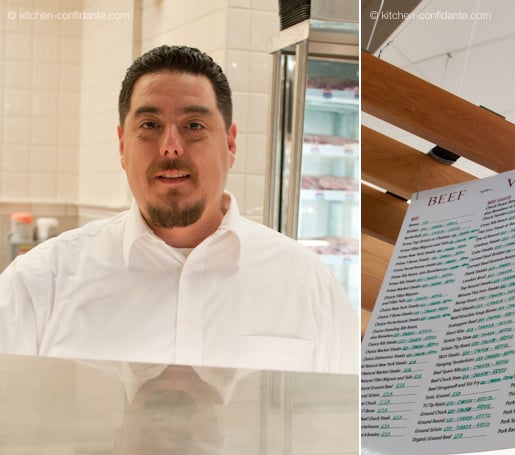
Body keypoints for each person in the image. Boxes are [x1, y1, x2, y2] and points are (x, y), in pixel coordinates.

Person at [0, 45, 358, 374]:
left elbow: (344, 426)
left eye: (194, 126)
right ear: (123, 146)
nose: (170, 147)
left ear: (230, 144)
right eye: (150, 125)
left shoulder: (307, 284)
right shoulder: (40, 283)